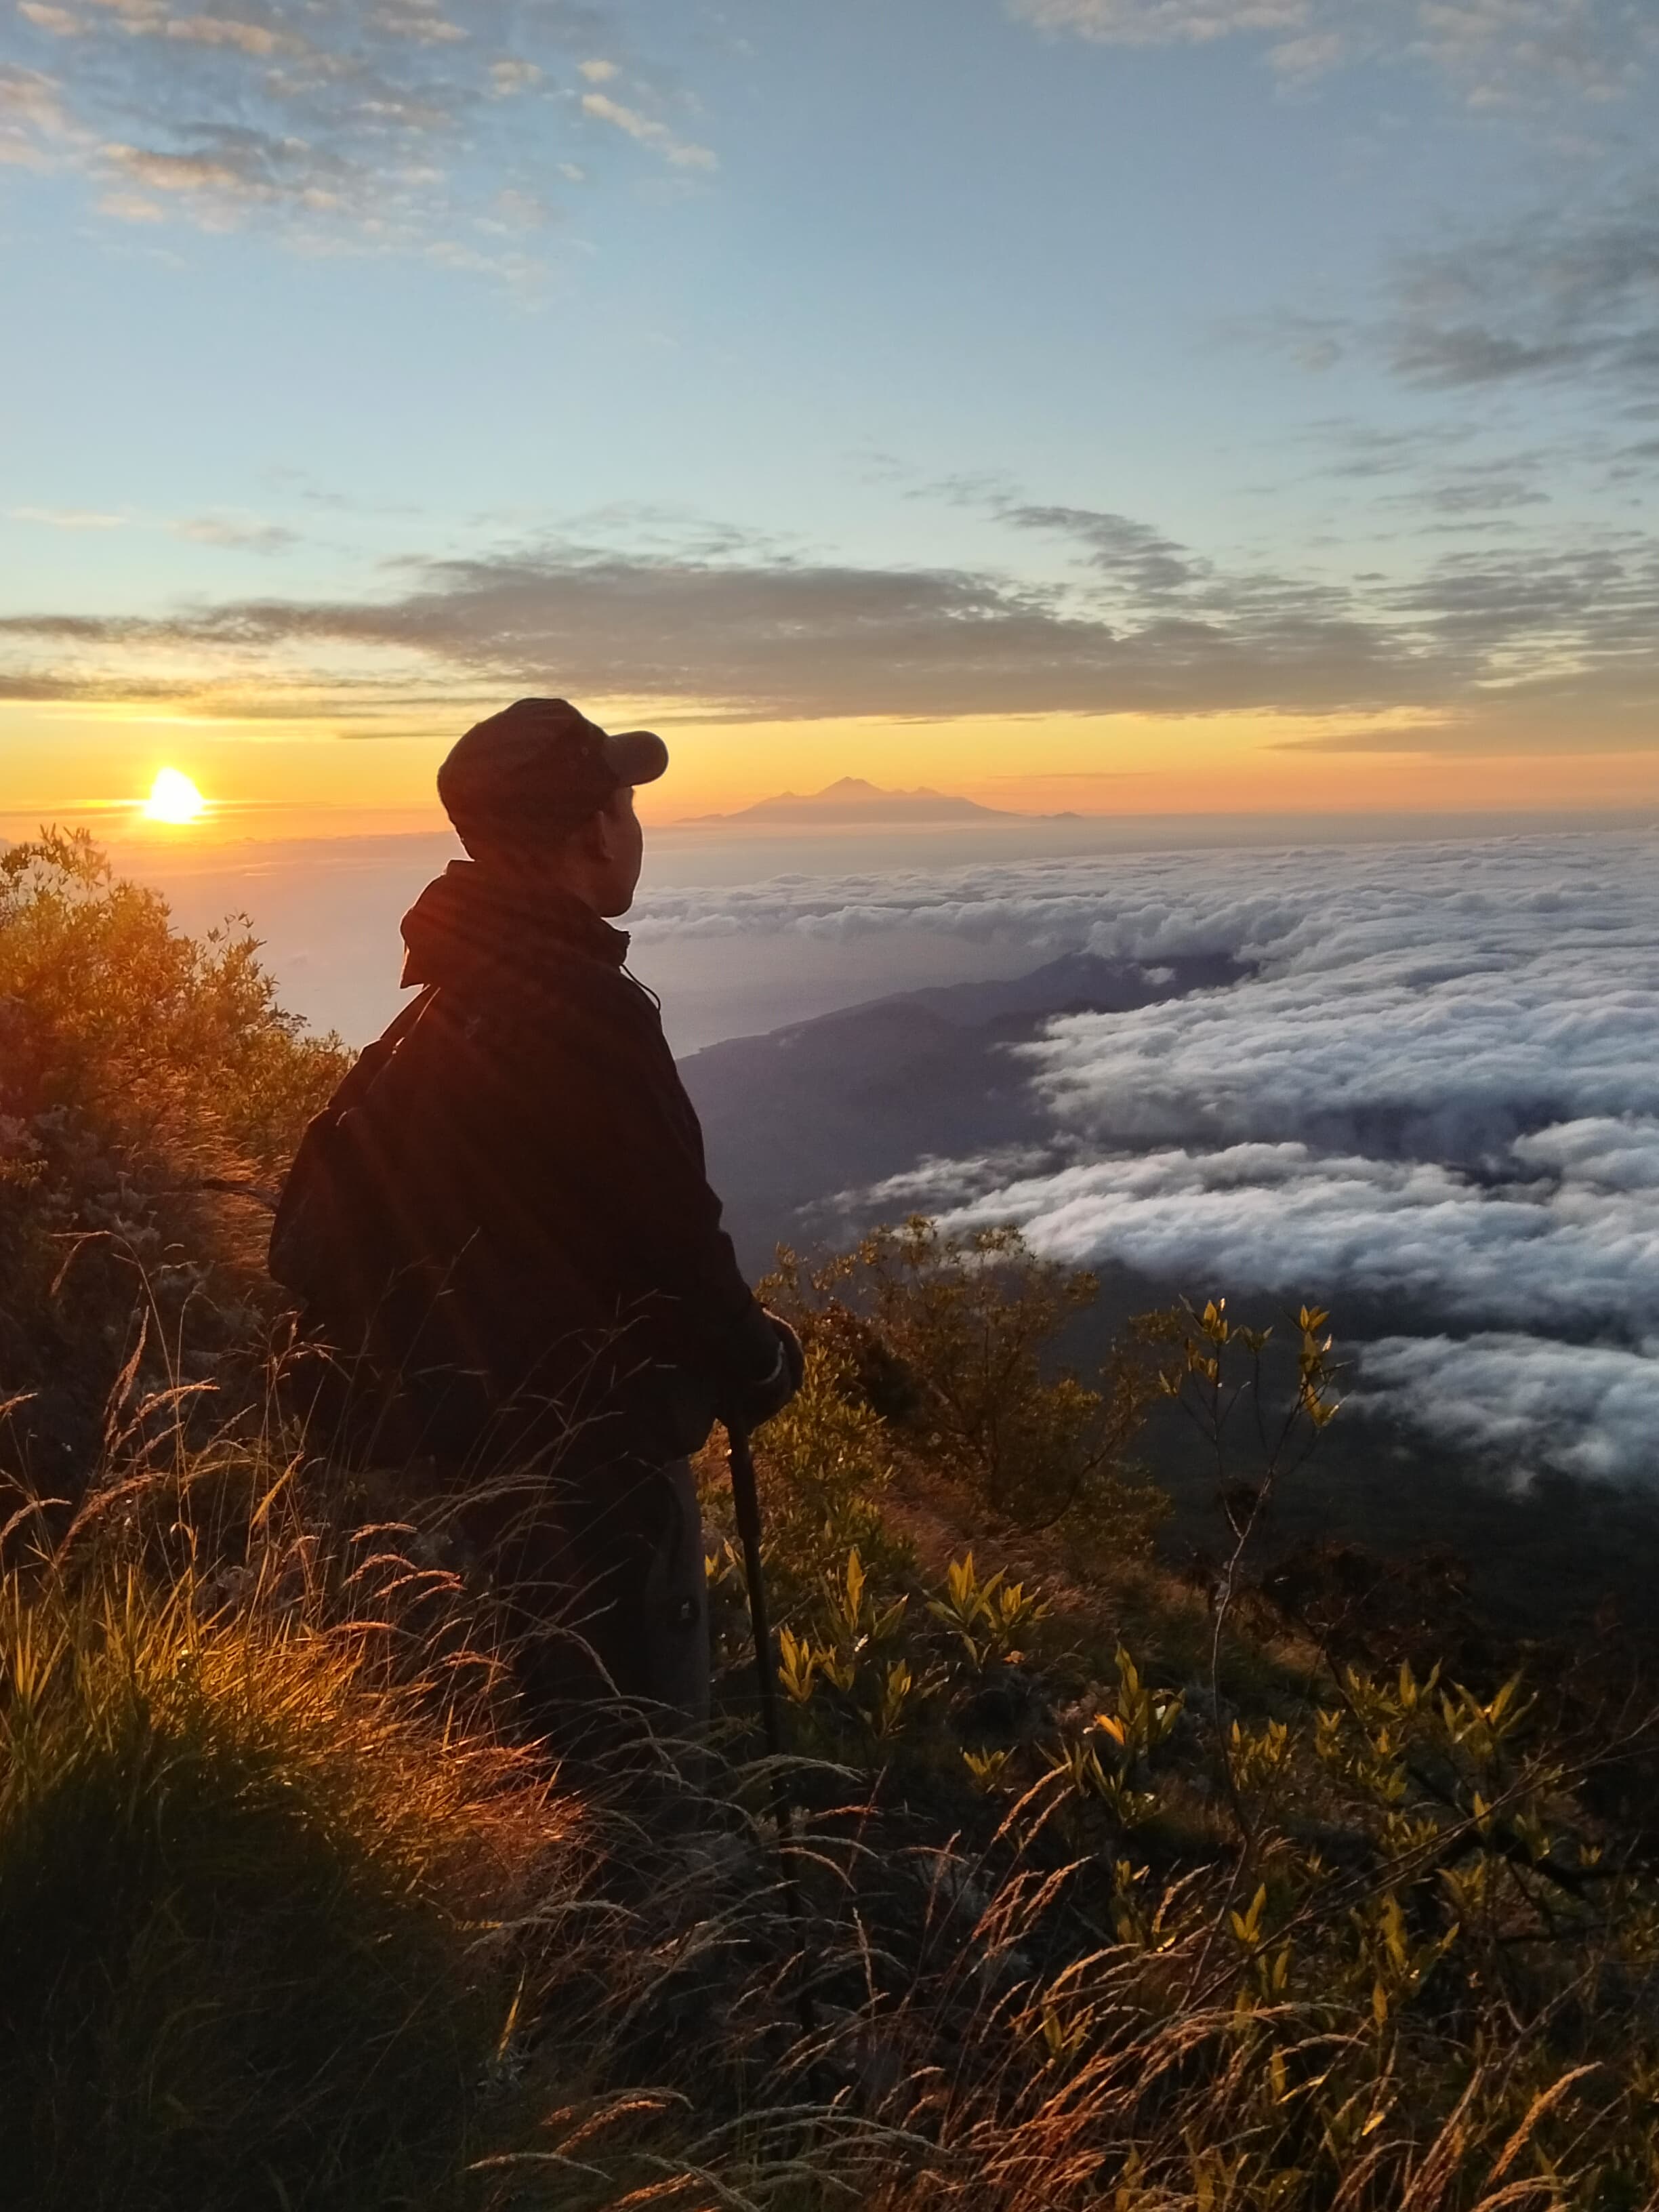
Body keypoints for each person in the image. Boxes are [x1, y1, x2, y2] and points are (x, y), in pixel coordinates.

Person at [269, 697, 802, 1734]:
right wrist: (761, 1362)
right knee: (637, 1764)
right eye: (624, 803)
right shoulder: (585, 1013)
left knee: (534, 1746)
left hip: (466, 1463)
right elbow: (678, 1253)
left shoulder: (440, 1010)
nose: (633, 825)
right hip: (595, 1485)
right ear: (596, 831)